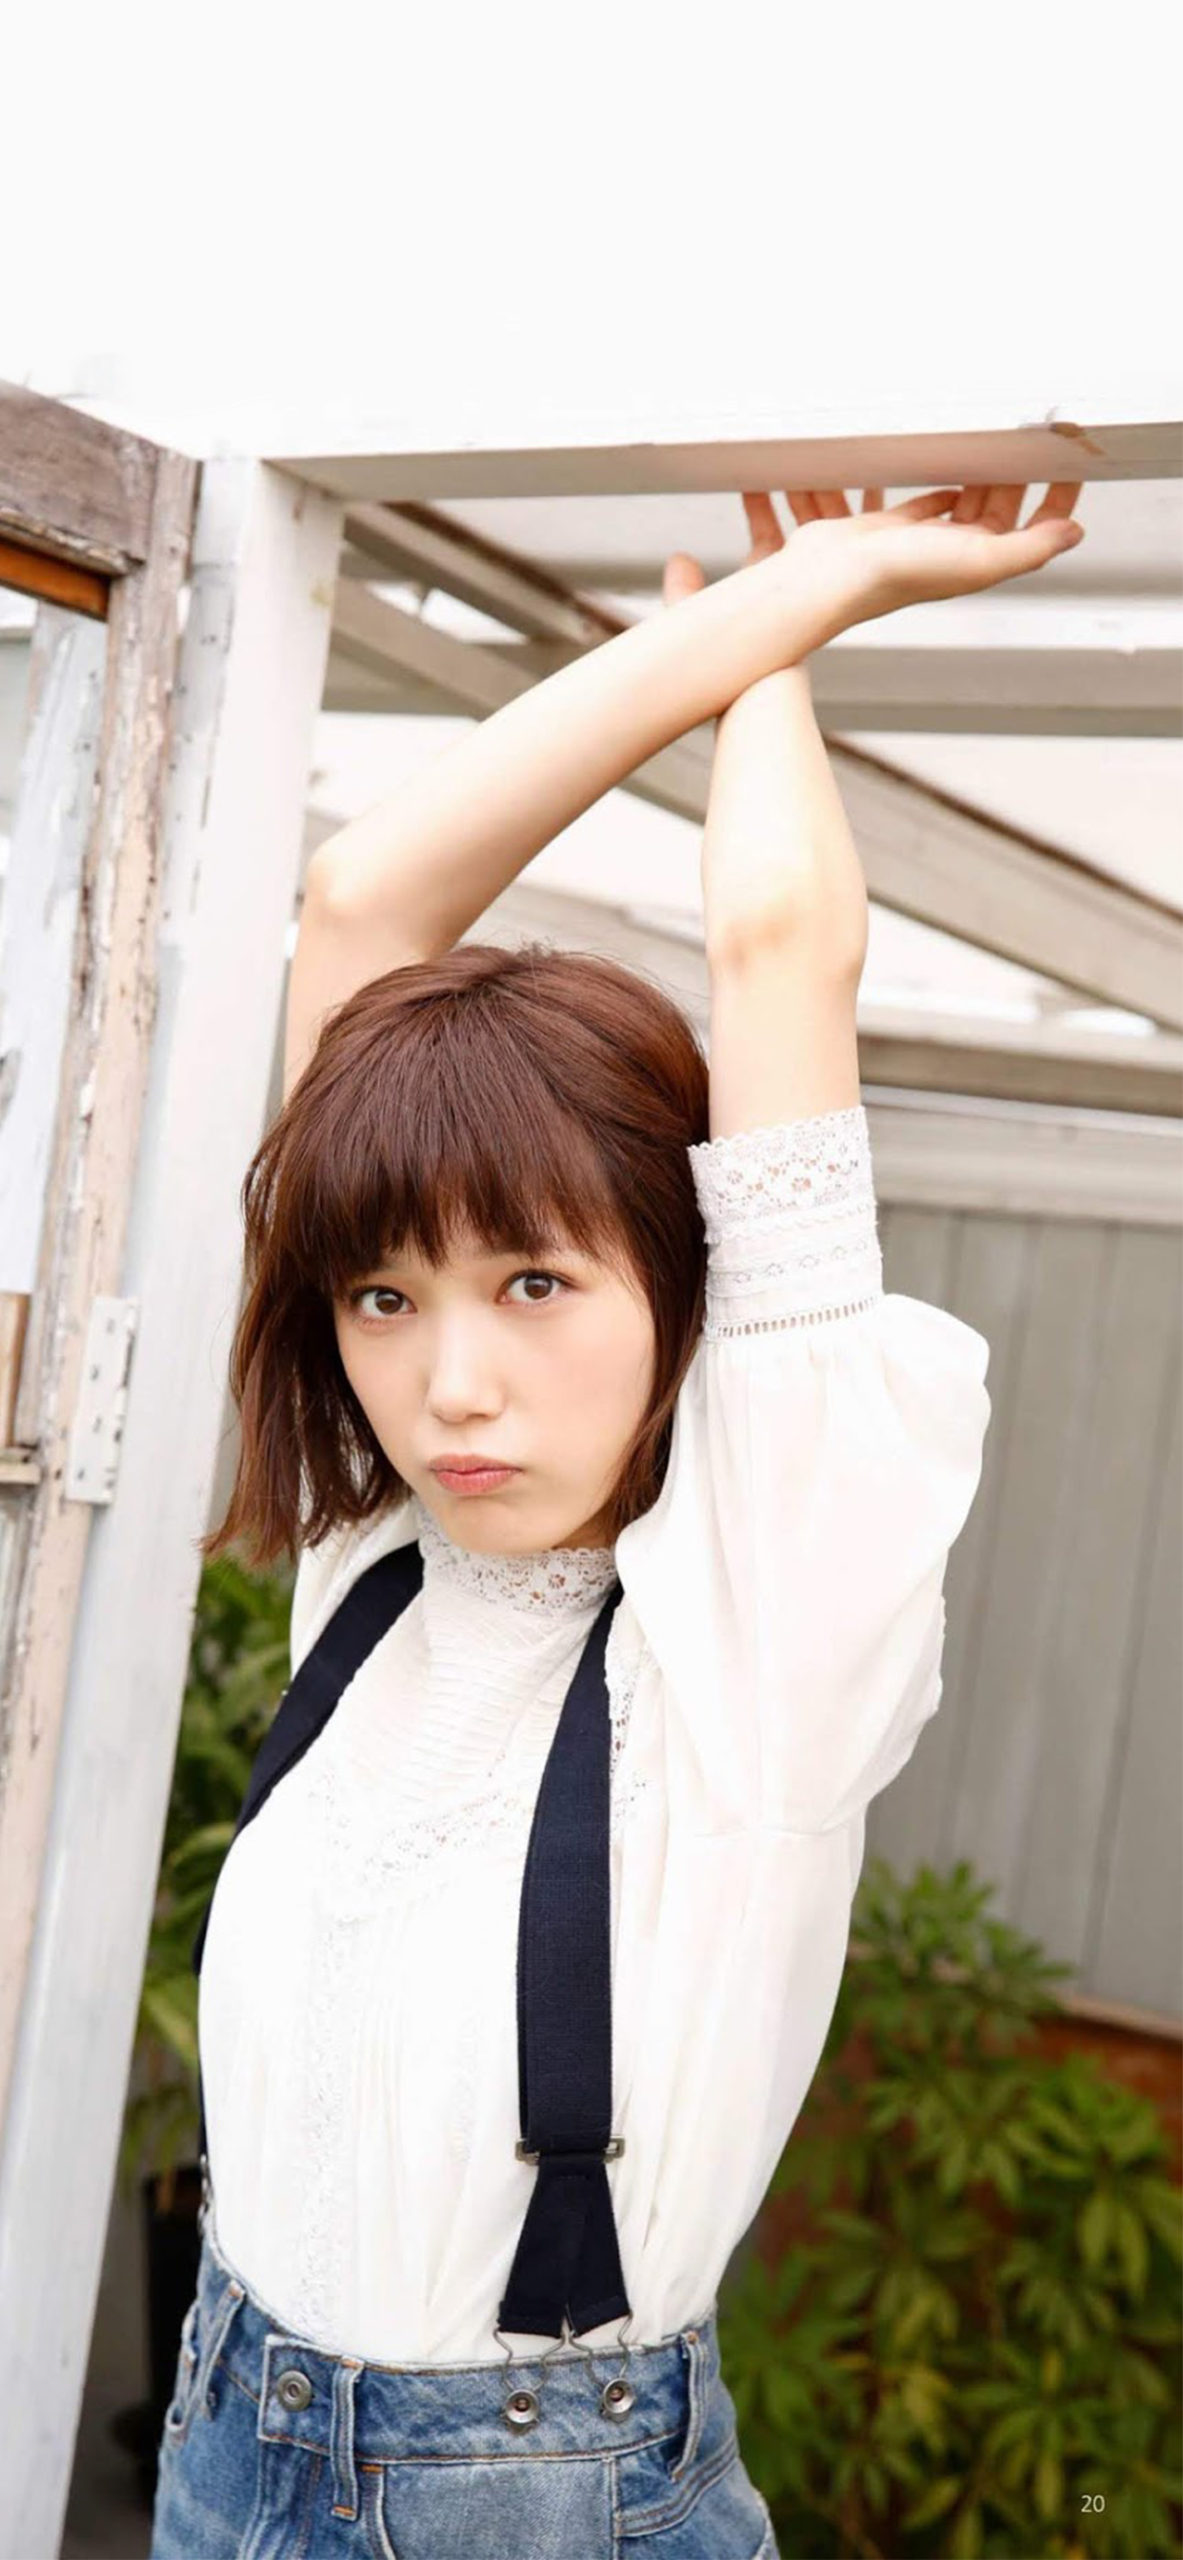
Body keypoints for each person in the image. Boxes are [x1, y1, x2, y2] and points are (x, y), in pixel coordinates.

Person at [150, 480, 1085, 2560]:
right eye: (384, 1297)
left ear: (688, 1288)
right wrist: (736, 613)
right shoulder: (379, 1562)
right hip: (226, 2437)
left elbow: (775, 953)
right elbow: (361, 902)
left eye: (534, 1283)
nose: (449, 1384)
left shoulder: (759, 1619)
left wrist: (804, 621)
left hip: (532, 2496)